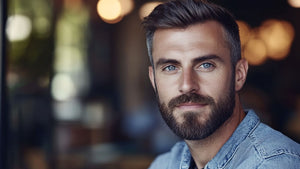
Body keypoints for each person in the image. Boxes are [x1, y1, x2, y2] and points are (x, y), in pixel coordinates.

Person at [142, 0, 300, 168]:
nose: (187, 85)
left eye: (206, 65)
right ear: (154, 80)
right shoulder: (164, 164)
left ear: (239, 75)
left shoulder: (274, 164)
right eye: (171, 67)